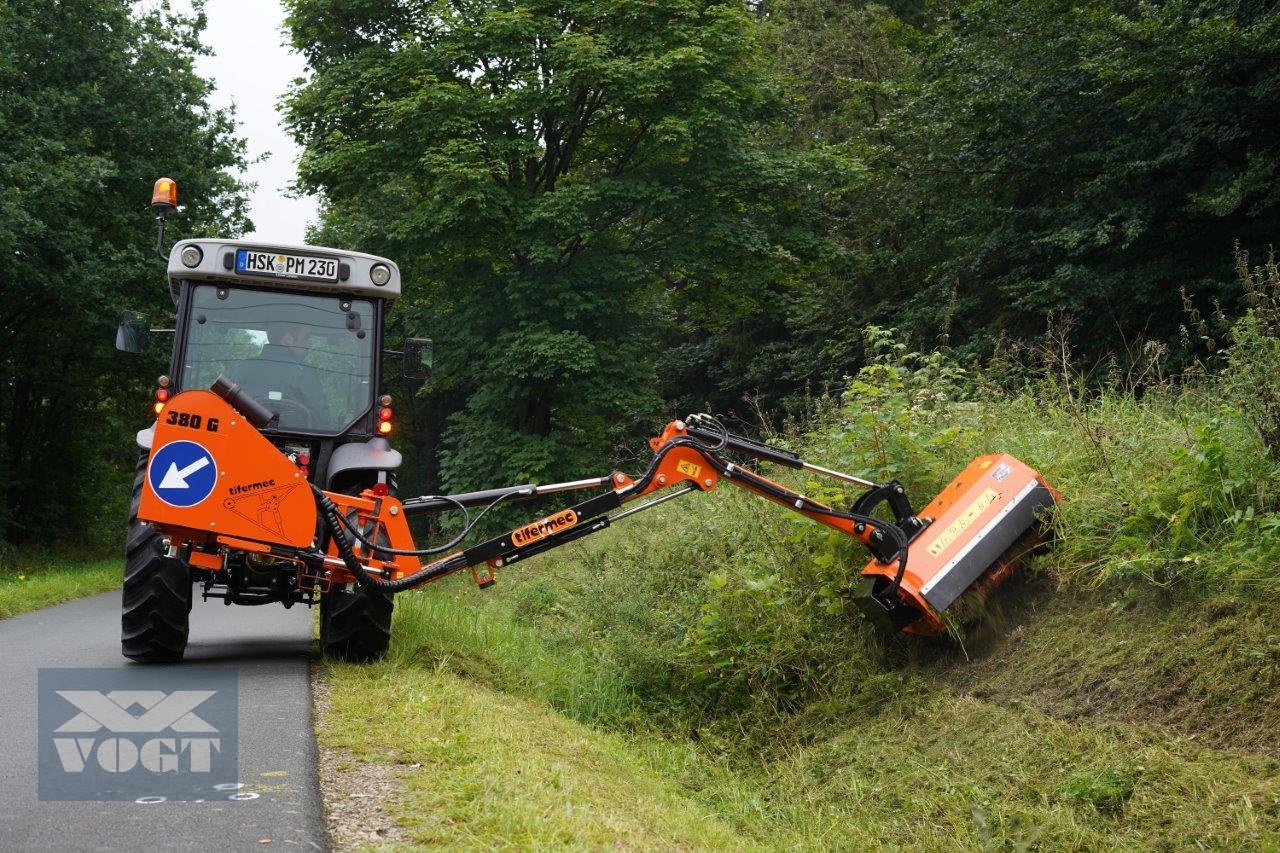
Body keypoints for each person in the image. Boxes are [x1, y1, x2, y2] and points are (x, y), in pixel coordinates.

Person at [234, 322, 326, 427]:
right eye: (305, 338)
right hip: (295, 441)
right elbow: (321, 421)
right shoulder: (306, 374)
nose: (309, 345)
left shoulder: (241, 367)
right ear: (287, 339)